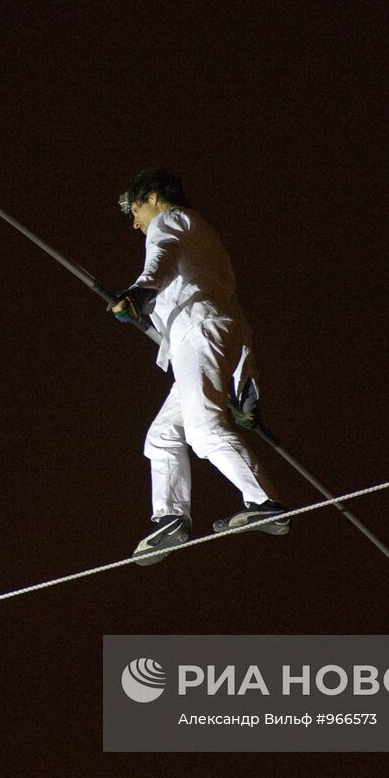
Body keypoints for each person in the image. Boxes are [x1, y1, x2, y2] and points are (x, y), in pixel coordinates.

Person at [109, 169, 289, 565]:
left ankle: (264, 502)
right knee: (161, 437)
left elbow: (161, 256)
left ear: (154, 197)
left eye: (135, 210)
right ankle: (171, 517)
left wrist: (139, 294)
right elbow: (233, 315)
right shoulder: (206, 241)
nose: (135, 222)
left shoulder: (170, 221)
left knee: (204, 427)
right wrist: (246, 389)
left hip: (199, 336)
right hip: (208, 336)